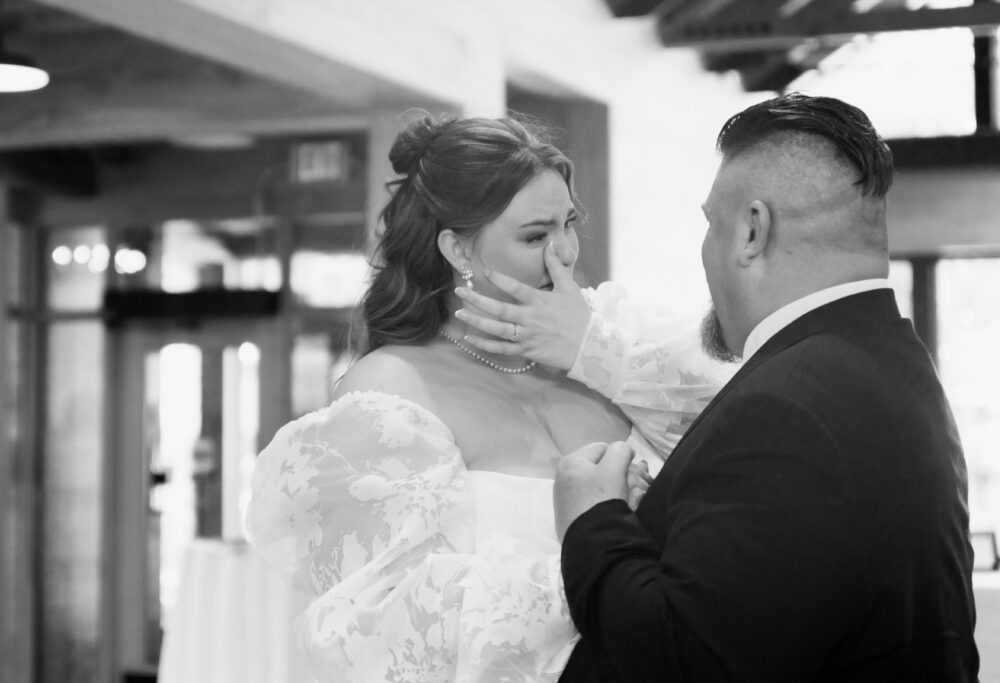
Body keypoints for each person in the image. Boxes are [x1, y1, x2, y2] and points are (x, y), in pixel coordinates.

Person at [245, 113, 720, 682]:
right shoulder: (392, 393)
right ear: (457, 250)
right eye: (536, 235)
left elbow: (746, 421)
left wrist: (595, 353)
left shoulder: (611, 339)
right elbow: (394, 633)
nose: (565, 252)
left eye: (568, 224)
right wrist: (594, 542)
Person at [554, 93, 980, 681]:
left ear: (752, 230)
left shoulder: (784, 405)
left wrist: (593, 520)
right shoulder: (896, 366)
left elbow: (688, 659)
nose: (705, 252)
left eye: (711, 224)